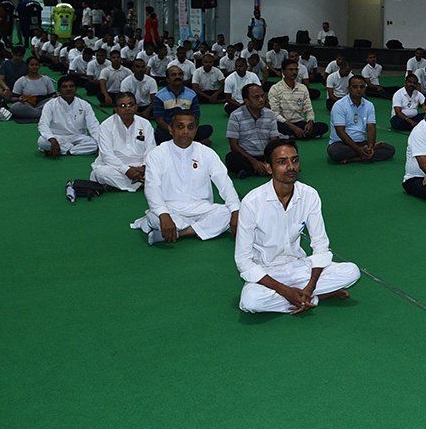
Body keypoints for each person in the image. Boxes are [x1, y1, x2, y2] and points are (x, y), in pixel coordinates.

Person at [235, 138, 360, 314]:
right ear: (269, 167)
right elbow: (243, 262)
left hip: (299, 266)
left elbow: (320, 246)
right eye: (282, 162)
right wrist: (285, 291)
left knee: (352, 271)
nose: (291, 167)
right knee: (251, 302)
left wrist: (310, 286)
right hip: (267, 272)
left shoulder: (309, 195)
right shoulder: (252, 202)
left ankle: (303, 296)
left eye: (294, 160)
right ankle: (315, 298)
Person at [132, 110, 241, 246]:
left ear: (195, 130)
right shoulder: (157, 154)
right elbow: (152, 187)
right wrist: (163, 214)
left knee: (229, 212)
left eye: (190, 127)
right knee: (155, 217)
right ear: (171, 129)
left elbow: (224, 183)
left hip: (202, 209)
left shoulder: (206, 153)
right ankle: (202, 228)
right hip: (171, 209)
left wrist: (235, 210)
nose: (185, 131)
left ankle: (181, 233)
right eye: (180, 126)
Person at [90, 92, 156, 191]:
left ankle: (133, 181)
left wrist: (144, 167)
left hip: (140, 167)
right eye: (122, 106)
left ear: (136, 107)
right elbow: (107, 155)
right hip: (115, 167)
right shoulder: (106, 125)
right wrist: (126, 170)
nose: (127, 109)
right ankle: (142, 182)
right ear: (116, 109)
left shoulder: (145, 124)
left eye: (130, 105)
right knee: (100, 173)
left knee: (162, 169)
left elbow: (151, 149)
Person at [327, 75, 396, 163]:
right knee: (336, 153)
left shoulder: (369, 105)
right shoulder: (339, 105)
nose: (358, 89)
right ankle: (364, 155)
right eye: (355, 87)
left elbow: (371, 128)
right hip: (341, 143)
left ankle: (355, 158)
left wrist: (370, 147)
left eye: (362, 87)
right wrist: (358, 150)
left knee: (390, 149)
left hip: (361, 142)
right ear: (349, 89)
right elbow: (341, 132)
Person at [225, 84, 280, 178]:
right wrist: (254, 162)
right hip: (246, 156)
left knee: (284, 152)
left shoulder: (270, 114)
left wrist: (267, 160)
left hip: (265, 155)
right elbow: (234, 145)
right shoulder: (236, 116)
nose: (261, 100)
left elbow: (274, 141)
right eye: (256, 97)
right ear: (246, 101)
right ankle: (264, 169)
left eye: (262, 96)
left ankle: (251, 171)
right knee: (231, 158)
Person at [37, 76, 100, 156]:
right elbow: (43, 124)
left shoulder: (84, 104)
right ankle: (76, 150)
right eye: (64, 87)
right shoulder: (50, 104)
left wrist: (99, 142)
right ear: (59, 90)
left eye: (71, 86)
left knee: (95, 143)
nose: (68, 89)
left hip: (79, 138)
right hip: (58, 137)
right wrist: (51, 139)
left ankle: (68, 151)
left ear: (76, 88)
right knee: (42, 141)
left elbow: (93, 125)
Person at [267, 60, 328, 140]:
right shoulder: (275, 88)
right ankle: (301, 135)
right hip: (284, 123)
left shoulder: (302, 88)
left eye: (296, 69)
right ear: (283, 71)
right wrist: (294, 128)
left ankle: (290, 136)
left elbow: (308, 109)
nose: (294, 72)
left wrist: (310, 122)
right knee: (273, 125)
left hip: (299, 122)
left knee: (323, 127)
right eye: (291, 70)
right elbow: (275, 113)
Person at [153, 66, 213, 144]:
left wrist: (187, 129)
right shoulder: (160, 96)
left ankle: (179, 140)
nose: (177, 77)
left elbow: (196, 117)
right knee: (159, 135)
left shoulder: (191, 94)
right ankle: (192, 141)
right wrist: (173, 131)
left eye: (180, 74)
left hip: (187, 129)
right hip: (169, 130)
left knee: (207, 129)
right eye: (174, 75)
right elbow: (159, 120)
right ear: (167, 79)